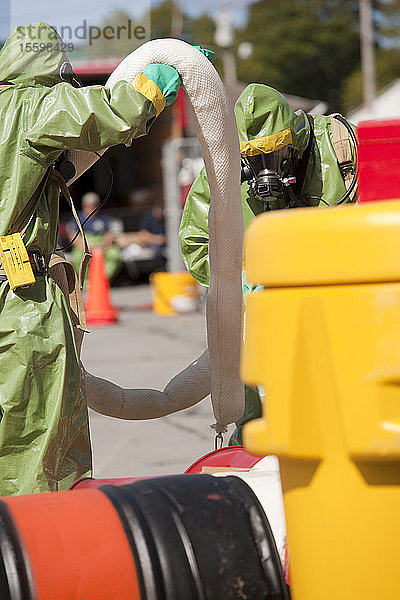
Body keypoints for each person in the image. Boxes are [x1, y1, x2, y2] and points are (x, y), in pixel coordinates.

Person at [0, 22, 186, 495]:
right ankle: (36, 550)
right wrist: (155, 85)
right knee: (37, 441)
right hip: (18, 303)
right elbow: (109, 111)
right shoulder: (32, 105)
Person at [179, 83, 357, 444]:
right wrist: (242, 278)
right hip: (261, 315)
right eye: (255, 158)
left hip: (333, 308)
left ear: (296, 137)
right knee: (254, 406)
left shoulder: (337, 148)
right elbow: (195, 241)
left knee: (336, 402)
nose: (266, 169)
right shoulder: (224, 170)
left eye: (275, 154)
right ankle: (252, 461)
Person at [68, 191, 122, 283]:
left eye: (94, 205)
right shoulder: (77, 218)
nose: (91, 208)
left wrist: (102, 246)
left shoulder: (103, 218)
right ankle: (86, 281)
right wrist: (88, 247)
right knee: (77, 257)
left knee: (114, 254)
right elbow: (73, 236)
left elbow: (109, 235)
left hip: (102, 244)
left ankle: (103, 280)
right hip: (84, 244)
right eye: (88, 205)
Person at [138, 201, 166, 270]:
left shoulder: (165, 218)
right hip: (152, 243)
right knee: (156, 251)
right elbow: (143, 234)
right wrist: (156, 239)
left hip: (165, 242)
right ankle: (159, 270)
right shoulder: (148, 217)